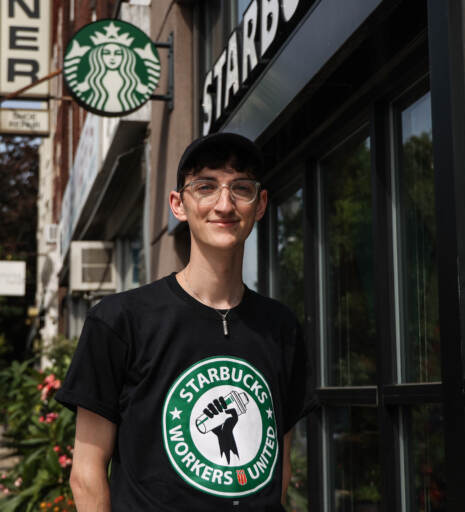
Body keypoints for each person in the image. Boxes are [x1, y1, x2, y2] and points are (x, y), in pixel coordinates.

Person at [55, 132, 315, 511]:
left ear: (259, 205)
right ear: (179, 204)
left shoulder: (281, 326)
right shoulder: (119, 321)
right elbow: (86, 473)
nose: (224, 204)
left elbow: (279, 468)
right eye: (205, 187)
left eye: (240, 188)